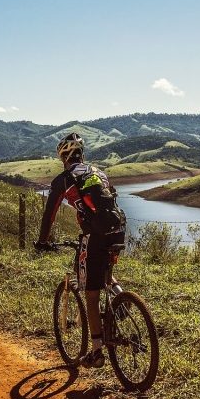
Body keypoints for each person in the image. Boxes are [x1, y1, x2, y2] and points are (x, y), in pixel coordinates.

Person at [35, 133, 127, 368]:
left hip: (94, 236)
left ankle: (96, 353)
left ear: (63, 157)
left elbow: (49, 215)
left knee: (91, 294)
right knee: (105, 272)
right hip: (117, 230)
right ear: (81, 155)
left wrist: (42, 241)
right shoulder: (98, 172)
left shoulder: (64, 179)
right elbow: (112, 201)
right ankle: (122, 297)